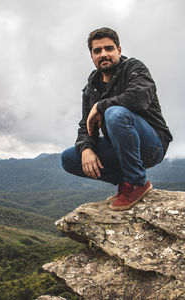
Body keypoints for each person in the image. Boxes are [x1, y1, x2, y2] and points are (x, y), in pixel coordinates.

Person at [61, 27, 172, 211]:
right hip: (121, 146)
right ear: (92, 56)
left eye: (109, 49)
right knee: (69, 158)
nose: (103, 54)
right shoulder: (92, 87)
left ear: (119, 50)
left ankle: (137, 183)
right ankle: (124, 181)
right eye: (97, 51)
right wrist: (86, 148)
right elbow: (85, 125)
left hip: (152, 144)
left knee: (114, 113)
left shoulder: (135, 68)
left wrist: (100, 106)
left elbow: (138, 99)